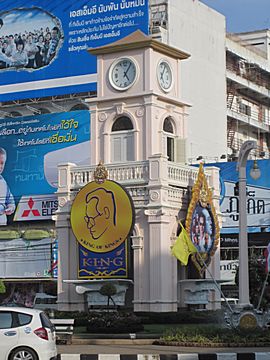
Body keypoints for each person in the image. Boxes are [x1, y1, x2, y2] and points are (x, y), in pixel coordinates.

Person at [0, 148, 15, 225]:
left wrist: (10, 208)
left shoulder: (3, 182)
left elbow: (10, 201)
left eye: (2, 163)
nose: (0, 166)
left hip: (2, 224)